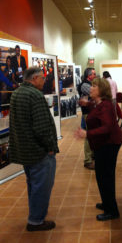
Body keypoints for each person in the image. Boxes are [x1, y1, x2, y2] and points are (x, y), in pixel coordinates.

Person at [9, 67, 59, 232]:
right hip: (39, 152)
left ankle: (35, 216)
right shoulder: (35, 95)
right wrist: (50, 147)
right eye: (42, 78)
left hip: (25, 151)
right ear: (35, 78)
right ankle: (36, 221)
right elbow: (42, 127)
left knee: (33, 185)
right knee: (41, 187)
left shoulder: (17, 93)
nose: (44, 81)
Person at [75, 78, 122, 221]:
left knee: (105, 177)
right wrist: (87, 104)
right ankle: (107, 203)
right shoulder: (99, 104)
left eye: (94, 86)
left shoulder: (106, 105)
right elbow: (97, 111)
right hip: (103, 145)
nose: (91, 88)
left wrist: (87, 133)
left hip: (109, 145)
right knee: (102, 176)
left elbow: (107, 127)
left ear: (101, 90)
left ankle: (112, 211)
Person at [79, 67, 96, 169]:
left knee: (92, 135)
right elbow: (95, 93)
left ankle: (92, 156)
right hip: (88, 113)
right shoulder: (84, 85)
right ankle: (88, 160)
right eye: (93, 74)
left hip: (91, 112)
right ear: (89, 76)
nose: (95, 75)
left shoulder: (89, 84)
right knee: (89, 136)